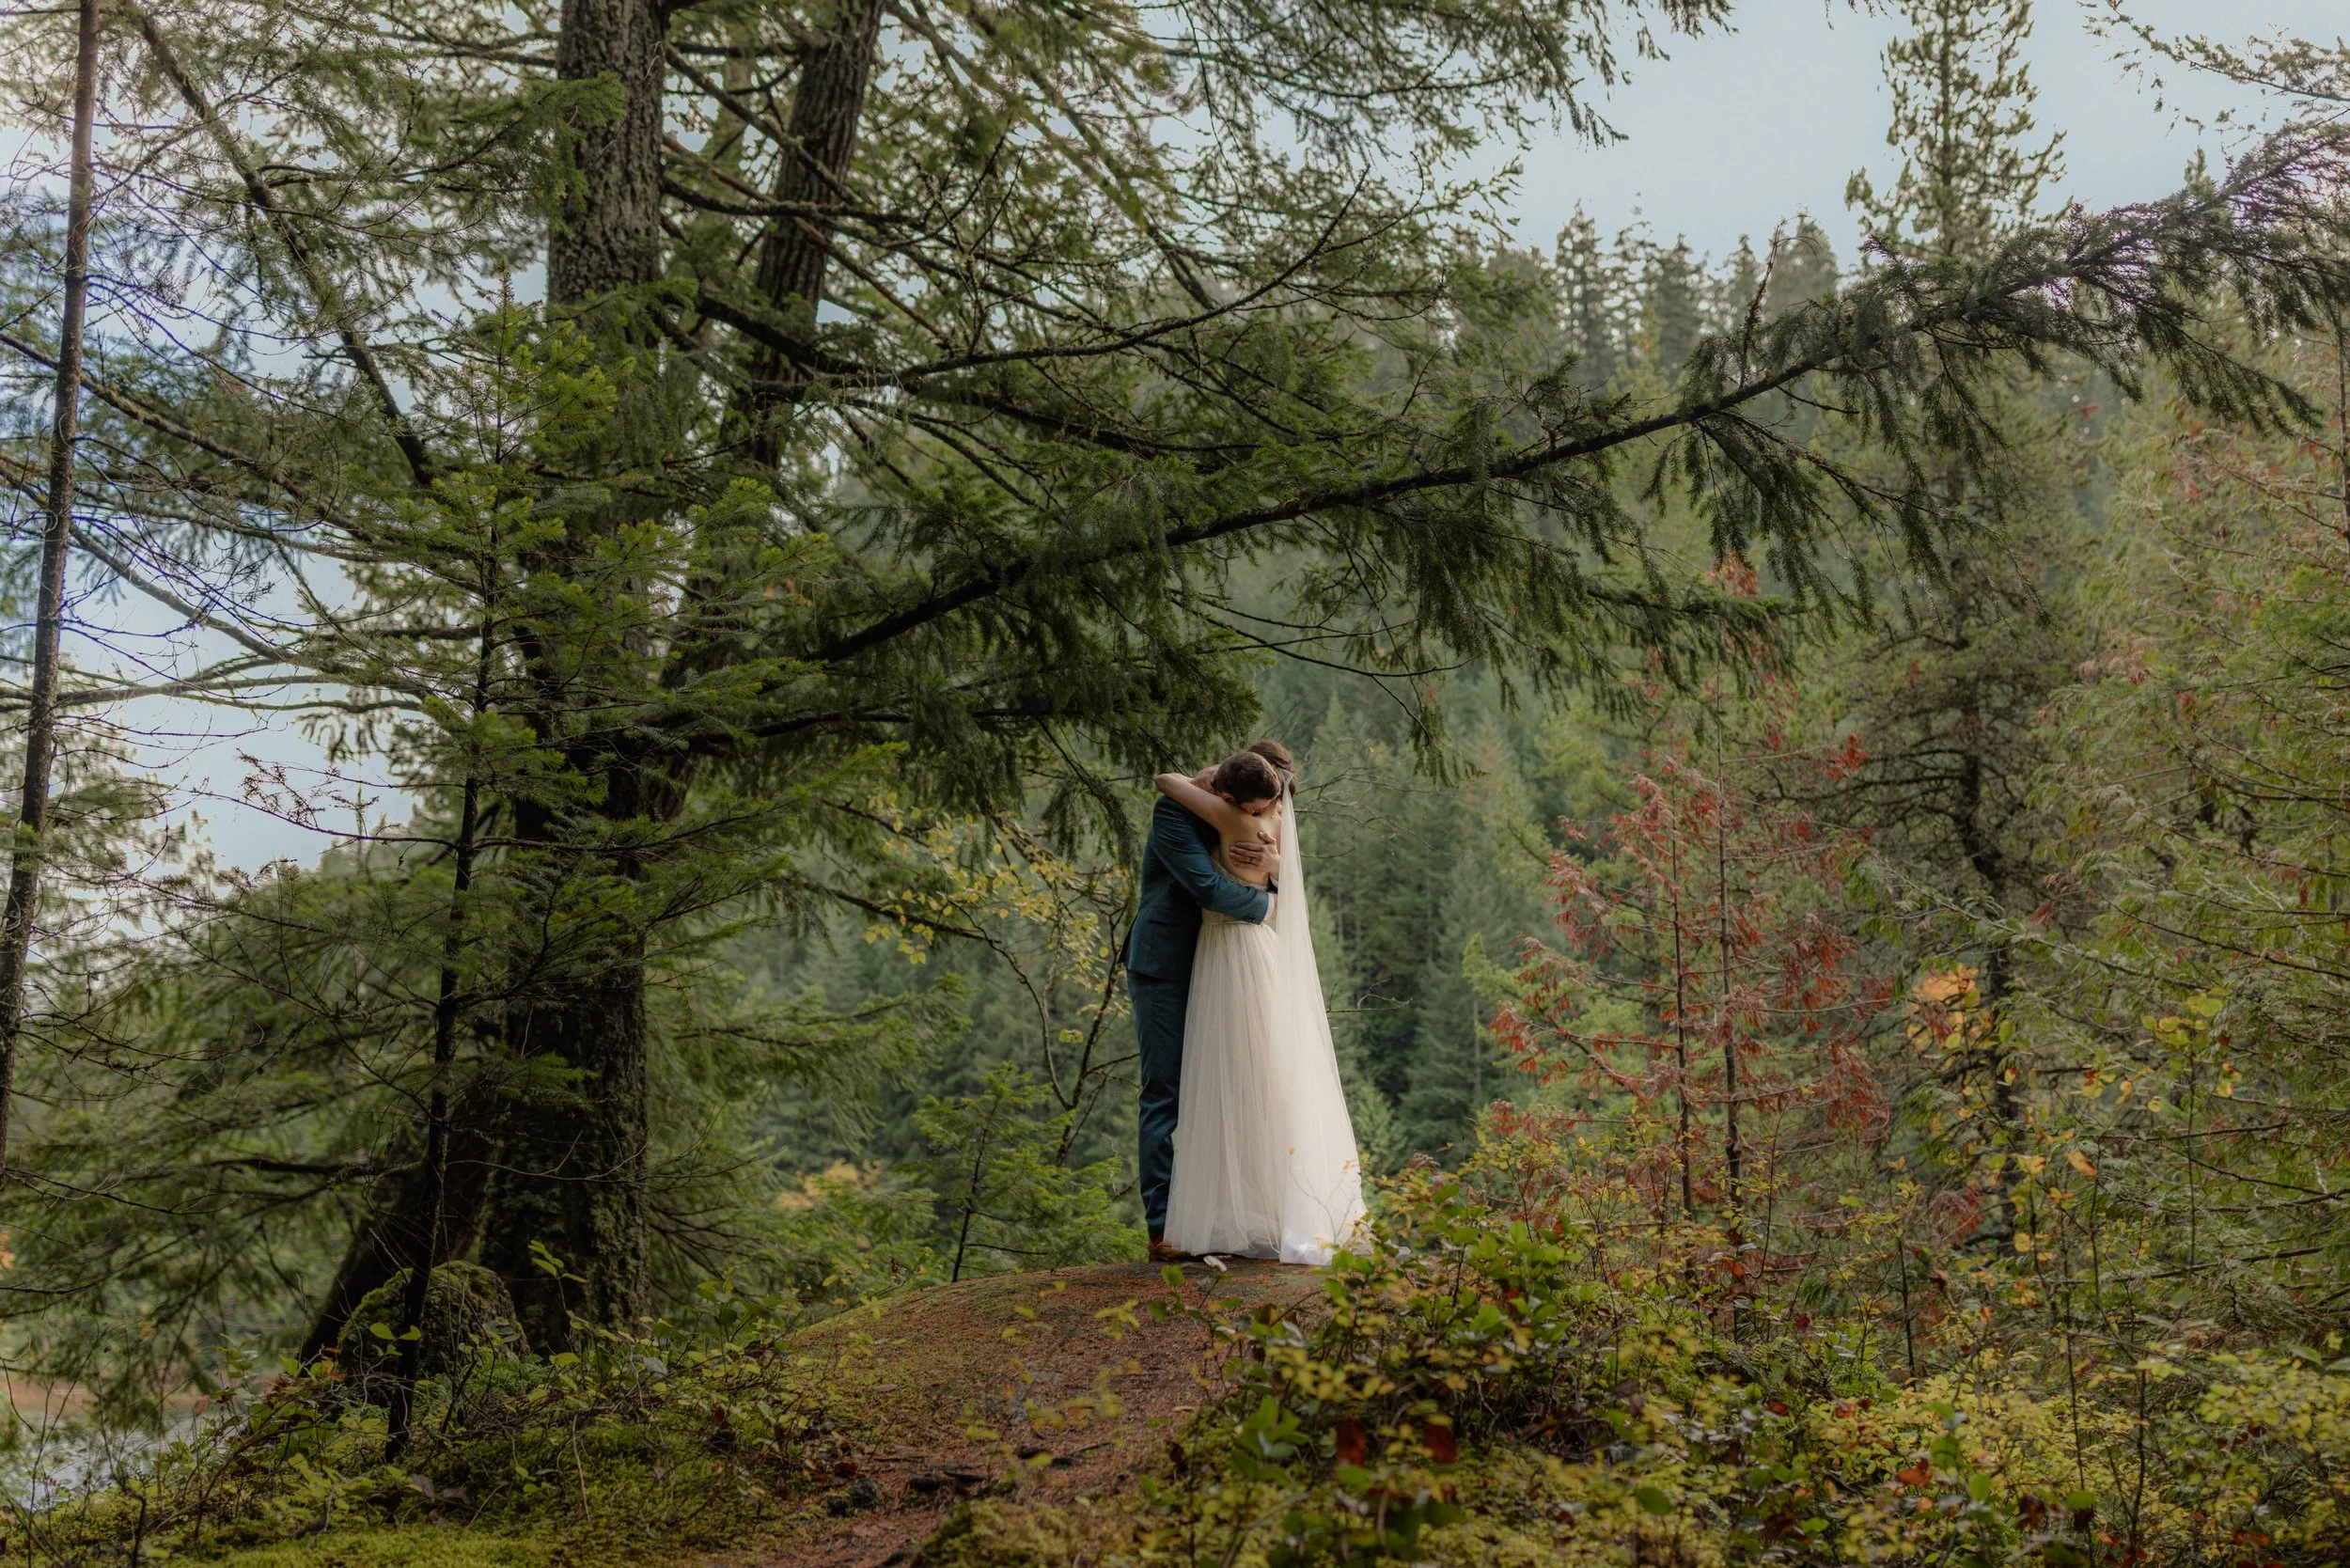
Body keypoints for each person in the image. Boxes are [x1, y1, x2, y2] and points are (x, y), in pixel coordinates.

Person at [1152, 745, 1366, 1264]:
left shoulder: (1228, 811)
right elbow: (1265, 881)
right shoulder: (1272, 824)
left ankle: (1222, 1215)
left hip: (1228, 950)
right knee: (1256, 1076)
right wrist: (1275, 886)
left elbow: (1164, 779)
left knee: (1229, 1077)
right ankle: (1256, 1208)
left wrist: (1204, 778)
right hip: (1247, 951)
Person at [1124, 751, 1276, 1263]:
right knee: (1165, 1091)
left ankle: (1221, 1215)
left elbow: (1256, 861)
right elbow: (1204, 885)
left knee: (1230, 1087)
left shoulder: (1243, 813)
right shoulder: (1173, 811)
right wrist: (1270, 907)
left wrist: (1273, 870)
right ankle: (1163, 1228)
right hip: (1166, 962)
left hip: (1220, 964)